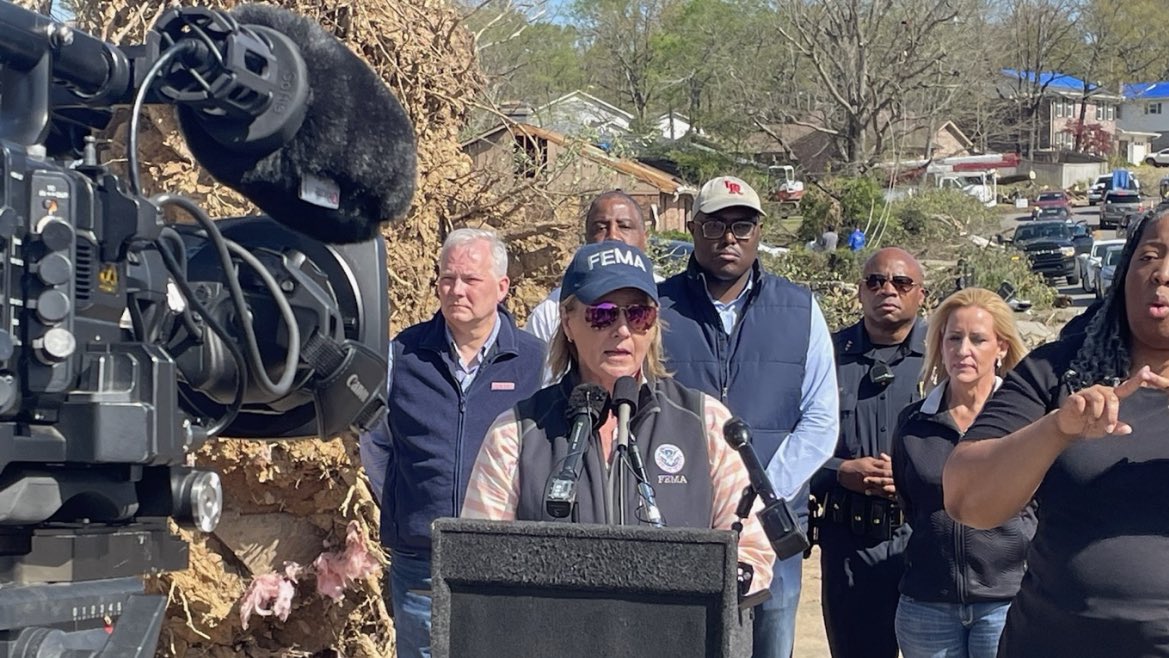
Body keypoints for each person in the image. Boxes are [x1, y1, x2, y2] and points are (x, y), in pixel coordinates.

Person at [462, 240, 776, 594]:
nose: (623, 330)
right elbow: (479, 563)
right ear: (567, 321)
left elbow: (752, 552)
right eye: (603, 313)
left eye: (639, 314)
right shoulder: (515, 433)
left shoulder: (706, 422)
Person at [943, 208, 1169, 657]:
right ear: (1123, 273)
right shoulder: (1058, 372)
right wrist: (1057, 429)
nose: (1161, 274)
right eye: (1148, 257)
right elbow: (965, 499)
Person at [657, 176, 839, 658]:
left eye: (742, 225)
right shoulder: (655, 309)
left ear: (759, 231)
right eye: (715, 225)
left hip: (771, 529)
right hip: (682, 524)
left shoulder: (800, 308)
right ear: (693, 229)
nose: (729, 238)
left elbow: (821, 421)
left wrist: (757, 496)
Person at [358, 228, 546, 658]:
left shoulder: (535, 362)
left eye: (470, 280)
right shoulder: (402, 355)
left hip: (507, 562)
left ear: (502, 287)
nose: (456, 290)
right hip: (422, 561)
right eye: (447, 278)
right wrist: (410, 503)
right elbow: (377, 443)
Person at [890, 288, 1035, 658]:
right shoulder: (914, 422)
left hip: (1007, 602)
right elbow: (912, 505)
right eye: (954, 338)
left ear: (1001, 347)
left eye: (978, 339)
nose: (963, 350)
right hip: (927, 606)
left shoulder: (1027, 424)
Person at [809, 247, 926, 658]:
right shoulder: (825, 355)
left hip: (925, 543)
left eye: (901, 282)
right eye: (875, 281)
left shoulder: (944, 357)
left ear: (921, 295)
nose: (887, 290)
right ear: (860, 291)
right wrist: (839, 470)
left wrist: (912, 475)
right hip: (849, 543)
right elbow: (794, 445)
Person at [525, 190, 661, 346]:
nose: (613, 236)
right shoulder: (550, 313)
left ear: (645, 237)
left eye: (624, 226)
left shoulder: (668, 299)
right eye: (601, 228)